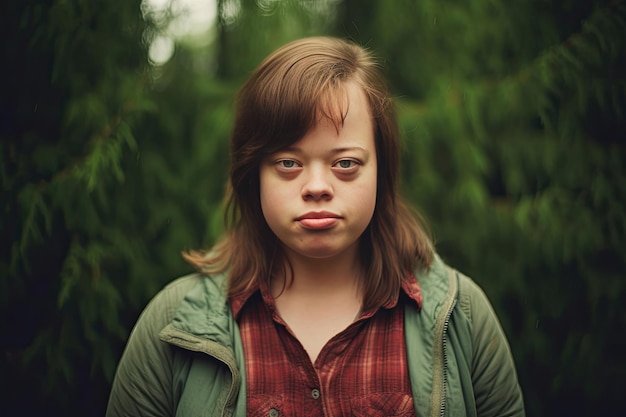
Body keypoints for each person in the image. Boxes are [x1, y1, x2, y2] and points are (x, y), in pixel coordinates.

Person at [106, 36, 525, 417]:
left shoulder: (462, 316)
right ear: (253, 175)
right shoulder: (172, 326)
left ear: (382, 169)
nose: (318, 187)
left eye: (345, 164)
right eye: (288, 163)